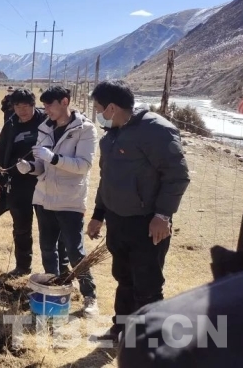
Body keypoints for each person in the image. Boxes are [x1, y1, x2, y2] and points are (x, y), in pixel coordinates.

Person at [87, 81, 190, 340]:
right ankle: (121, 329)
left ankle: (147, 342)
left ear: (111, 108)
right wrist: (98, 215)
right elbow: (107, 178)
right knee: (124, 278)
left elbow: (177, 176)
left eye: (98, 108)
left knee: (147, 285)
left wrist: (162, 215)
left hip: (147, 224)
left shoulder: (156, 130)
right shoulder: (112, 133)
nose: (97, 113)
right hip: (118, 221)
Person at [17, 85, 98, 317]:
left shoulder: (84, 129)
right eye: (44, 106)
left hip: (69, 199)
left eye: (50, 105)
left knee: (74, 250)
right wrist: (30, 167)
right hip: (44, 198)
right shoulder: (45, 128)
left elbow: (83, 165)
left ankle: (90, 295)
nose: (46, 110)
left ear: (65, 102)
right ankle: (54, 290)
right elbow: (42, 166)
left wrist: (54, 158)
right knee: (47, 248)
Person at [0, 88, 57, 277]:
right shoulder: (11, 124)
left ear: (33, 105)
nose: (22, 110)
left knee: (48, 228)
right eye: (18, 106)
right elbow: (1, 152)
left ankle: (52, 272)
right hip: (18, 184)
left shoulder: (46, 122)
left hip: (43, 181)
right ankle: (22, 266)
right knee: (21, 227)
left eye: (26, 106)